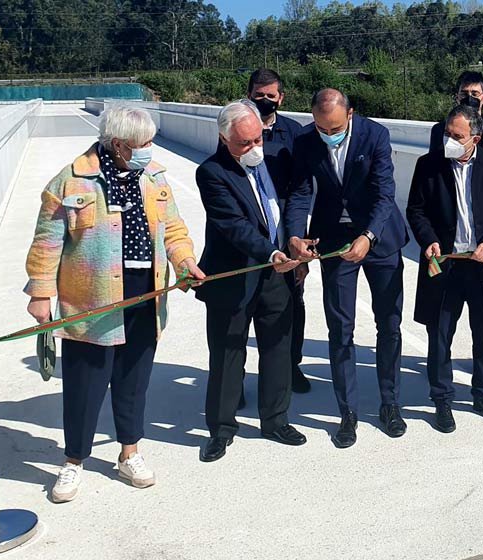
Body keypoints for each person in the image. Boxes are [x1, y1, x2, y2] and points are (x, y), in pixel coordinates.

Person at [24, 104, 205, 502]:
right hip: (93, 298)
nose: (149, 149)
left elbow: (173, 229)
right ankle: (73, 461)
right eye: (142, 143)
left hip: (145, 289)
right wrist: (40, 292)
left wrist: (185, 262)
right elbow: (47, 241)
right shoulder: (71, 182)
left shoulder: (154, 176)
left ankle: (130, 452)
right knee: (84, 384)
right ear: (119, 144)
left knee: (134, 379)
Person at [285, 89, 409, 449]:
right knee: (340, 328)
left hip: (380, 239)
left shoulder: (375, 135)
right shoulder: (306, 141)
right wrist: (295, 236)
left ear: (350, 115)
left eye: (335, 128)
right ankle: (348, 412)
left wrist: (368, 236)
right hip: (334, 241)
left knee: (389, 325)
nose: (328, 134)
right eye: (322, 128)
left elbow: (385, 192)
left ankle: (390, 404)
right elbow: (299, 193)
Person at [195, 100, 305, 463]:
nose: (254, 148)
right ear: (224, 139)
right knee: (228, 354)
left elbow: (292, 203)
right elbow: (233, 226)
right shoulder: (211, 173)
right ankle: (222, 429)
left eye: (258, 139)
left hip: (278, 274)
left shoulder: (276, 157)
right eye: (245, 143)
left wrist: (294, 239)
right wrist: (270, 253)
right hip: (235, 275)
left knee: (277, 348)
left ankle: (275, 420)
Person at [406, 105, 483, 433]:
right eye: (447, 134)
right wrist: (427, 240)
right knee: (439, 334)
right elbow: (416, 210)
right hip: (445, 264)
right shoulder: (428, 165)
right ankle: (441, 398)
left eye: (458, 136)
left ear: (475, 139)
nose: (450, 141)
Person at [430, 71, 483, 384]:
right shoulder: (442, 132)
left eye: (475, 93)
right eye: (465, 92)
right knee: (441, 324)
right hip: (452, 251)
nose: (470, 96)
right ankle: (441, 386)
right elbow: (433, 185)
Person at [245, 69, 311, 394]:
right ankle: (236, 378)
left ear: (281, 98)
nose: (266, 100)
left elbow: (301, 191)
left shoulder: (295, 134)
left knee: (292, 303)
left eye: (272, 95)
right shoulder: (237, 128)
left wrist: (297, 241)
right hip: (248, 233)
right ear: (249, 94)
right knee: (242, 305)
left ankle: (291, 366)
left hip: (285, 233)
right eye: (260, 95)